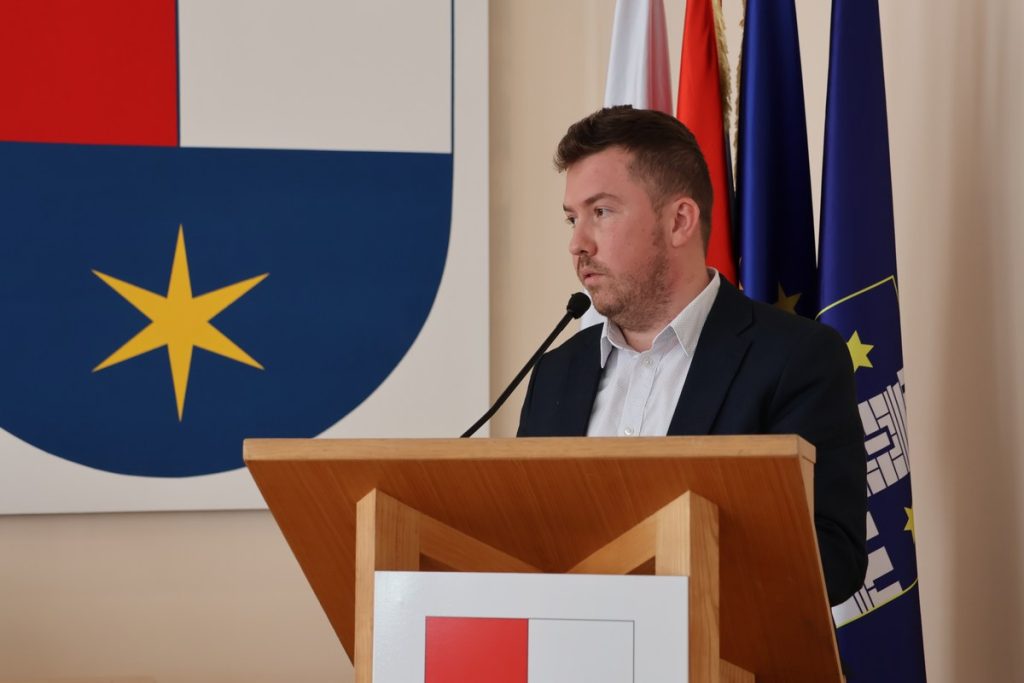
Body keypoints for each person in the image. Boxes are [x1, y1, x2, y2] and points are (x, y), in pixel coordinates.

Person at [517, 105, 867, 606]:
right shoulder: (555, 373)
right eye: (572, 219)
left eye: (601, 212)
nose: (577, 243)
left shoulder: (796, 359)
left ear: (680, 221)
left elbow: (834, 559)